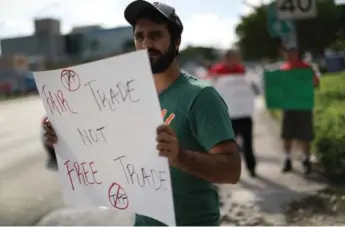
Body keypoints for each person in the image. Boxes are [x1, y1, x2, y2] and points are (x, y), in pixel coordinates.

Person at [43, 0, 242, 226]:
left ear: (176, 42)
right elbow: (106, 149)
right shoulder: (131, 97)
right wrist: (64, 136)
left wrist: (180, 156)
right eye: (140, 37)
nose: (146, 43)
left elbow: (231, 170)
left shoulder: (200, 96)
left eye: (156, 35)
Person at [207, 50, 257, 177]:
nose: (233, 61)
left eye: (236, 58)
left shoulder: (243, 71)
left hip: (244, 114)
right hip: (227, 117)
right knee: (229, 147)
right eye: (231, 59)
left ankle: (251, 168)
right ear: (226, 59)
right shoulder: (216, 72)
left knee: (248, 144)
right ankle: (230, 170)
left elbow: (254, 88)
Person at [280, 46, 319, 175]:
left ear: (297, 54)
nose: (290, 55)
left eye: (293, 53)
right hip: (288, 107)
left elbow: (315, 83)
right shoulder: (284, 69)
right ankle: (287, 160)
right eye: (289, 53)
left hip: (303, 106)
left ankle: (306, 160)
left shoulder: (307, 68)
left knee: (305, 135)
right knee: (287, 135)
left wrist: (311, 78)